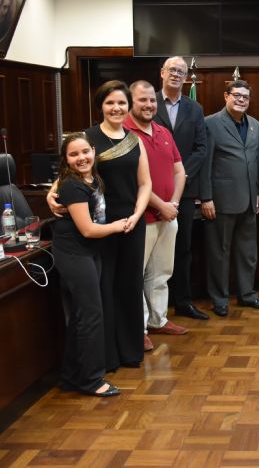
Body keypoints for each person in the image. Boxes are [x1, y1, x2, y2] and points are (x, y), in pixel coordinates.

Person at [50, 80, 152, 371]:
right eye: (110, 103)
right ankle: (107, 358)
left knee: (130, 286)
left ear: (128, 105)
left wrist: (136, 215)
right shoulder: (87, 138)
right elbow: (65, 177)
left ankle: (131, 352)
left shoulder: (135, 139)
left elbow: (145, 184)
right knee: (104, 289)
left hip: (132, 223)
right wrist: (49, 195)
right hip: (100, 228)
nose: (116, 108)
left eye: (121, 102)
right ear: (101, 107)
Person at [53, 132, 127, 397]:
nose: (81, 158)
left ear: (93, 151)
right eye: (73, 154)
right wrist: (117, 226)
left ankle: (73, 376)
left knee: (83, 316)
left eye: (85, 151)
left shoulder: (91, 178)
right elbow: (87, 229)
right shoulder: (72, 185)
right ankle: (92, 381)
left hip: (88, 253)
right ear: (65, 159)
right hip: (75, 253)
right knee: (91, 316)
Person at [125, 80, 188, 352]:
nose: (149, 105)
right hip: (142, 217)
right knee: (136, 275)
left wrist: (172, 203)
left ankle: (158, 320)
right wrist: (161, 205)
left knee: (162, 272)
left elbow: (179, 171)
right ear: (131, 102)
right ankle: (137, 329)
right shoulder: (124, 134)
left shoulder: (163, 131)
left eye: (152, 100)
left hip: (168, 215)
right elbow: (133, 181)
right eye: (143, 100)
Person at [199, 79, 259, 317]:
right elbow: (204, 165)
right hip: (220, 202)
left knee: (248, 253)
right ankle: (220, 298)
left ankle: (247, 295)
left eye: (245, 97)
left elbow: (258, 163)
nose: (241, 100)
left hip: (250, 201)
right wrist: (206, 198)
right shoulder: (210, 123)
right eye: (236, 95)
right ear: (226, 96)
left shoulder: (255, 126)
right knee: (219, 253)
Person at [153, 56, 209, 320]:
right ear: (162, 73)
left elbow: (201, 148)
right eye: (172, 70)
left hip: (184, 191)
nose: (176, 74)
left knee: (183, 247)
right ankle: (153, 309)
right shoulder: (148, 103)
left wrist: (181, 174)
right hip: (150, 190)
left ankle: (183, 302)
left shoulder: (194, 108)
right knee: (152, 250)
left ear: (187, 77)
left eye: (181, 71)